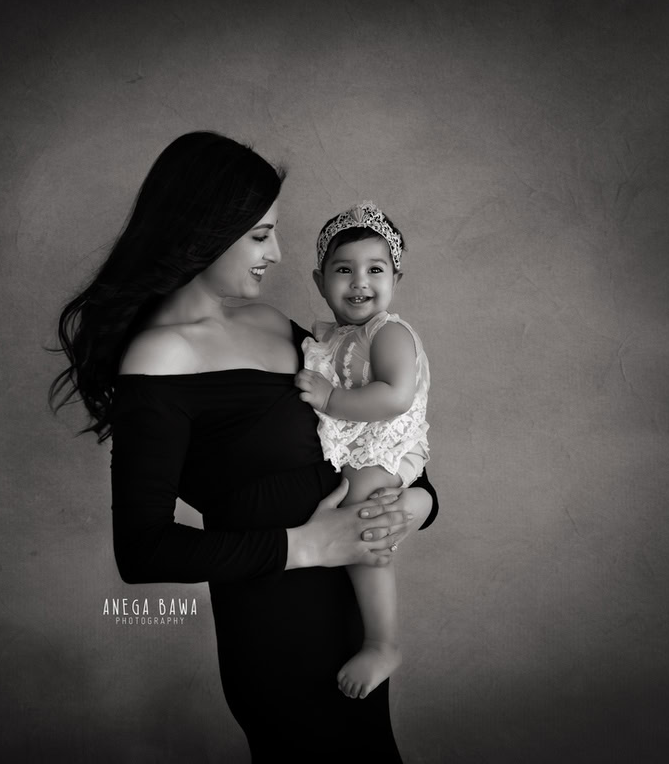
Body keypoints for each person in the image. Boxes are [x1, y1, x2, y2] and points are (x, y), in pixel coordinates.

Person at [51, 131, 439, 761]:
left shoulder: (272, 326)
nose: (279, 253)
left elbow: (375, 434)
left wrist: (416, 506)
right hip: (274, 628)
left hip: (351, 614)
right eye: (260, 235)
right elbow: (143, 551)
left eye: (275, 231)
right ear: (204, 228)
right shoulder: (159, 358)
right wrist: (309, 545)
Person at [294, 201, 431, 701]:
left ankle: (383, 641)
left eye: (375, 269)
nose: (359, 283)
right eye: (343, 270)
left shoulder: (387, 331)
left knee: (363, 522)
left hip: (389, 447)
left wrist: (331, 399)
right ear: (319, 280)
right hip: (367, 447)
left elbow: (394, 395)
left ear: (396, 277)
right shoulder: (337, 337)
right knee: (357, 516)